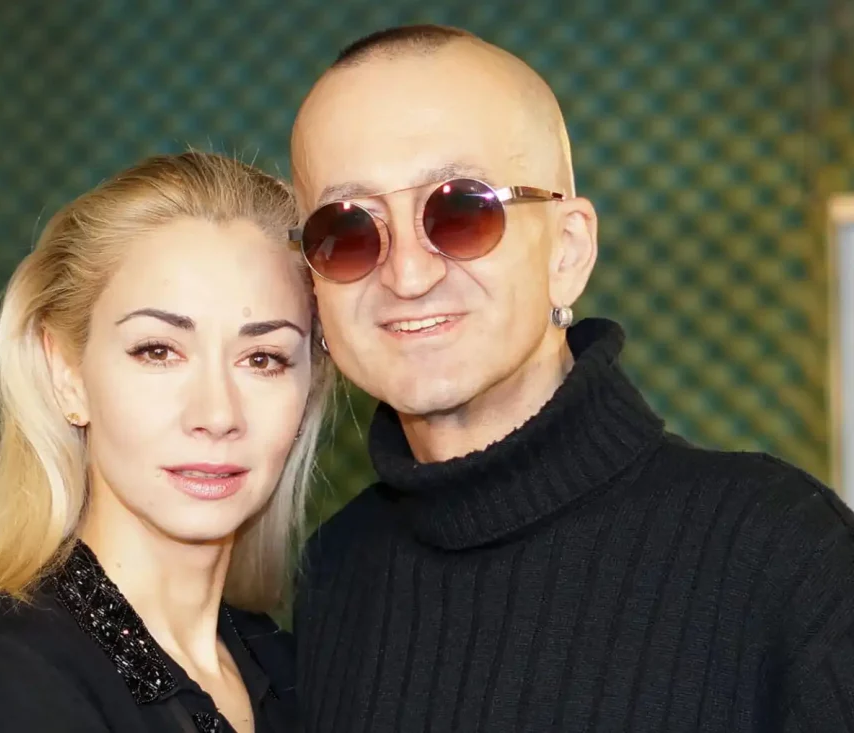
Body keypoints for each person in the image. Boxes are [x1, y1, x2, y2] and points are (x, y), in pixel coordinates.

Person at [288, 24, 854, 732]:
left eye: (460, 211)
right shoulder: (333, 573)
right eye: (347, 231)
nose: (407, 273)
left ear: (568, 251)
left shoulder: (782, 548)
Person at [0, 152, 333, 733]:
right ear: (67, 374)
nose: (217, 414)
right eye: (158, 351)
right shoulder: (0, 671)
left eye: (263, 358)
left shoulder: (294, 666)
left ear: (308, 389)